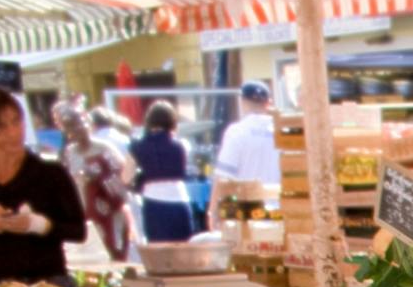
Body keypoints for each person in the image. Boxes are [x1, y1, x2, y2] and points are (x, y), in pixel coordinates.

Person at [0, 86, 87, 287]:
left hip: (50, 282)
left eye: (16, 121)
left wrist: (39, 225)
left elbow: (78, 231)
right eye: (0, 126)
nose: (13, 132)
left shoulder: (50, 172)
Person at [56, 103, 132, 261]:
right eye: (71, 127)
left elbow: (124, 179)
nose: (78, 129)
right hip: (84, 215)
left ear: (88, 123)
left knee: (113, 256)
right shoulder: (69, 153)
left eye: (80, 123)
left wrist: (98, 177)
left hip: (109, 214)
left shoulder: (104, 149)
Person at [212, 80, 279, 227]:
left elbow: (223, 178)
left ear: (242, 101)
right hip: (280, 214)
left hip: (246, 215)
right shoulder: (280, 132)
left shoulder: (236, 132)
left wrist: (213, 212)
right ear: (268, 103)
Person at [131, 101, 196, 243]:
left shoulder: (138, 146)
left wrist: (139, 179)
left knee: (158, 249)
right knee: (183, 246)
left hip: (153, 200)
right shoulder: (182, 145)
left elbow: (125, 176)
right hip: (179, 198)